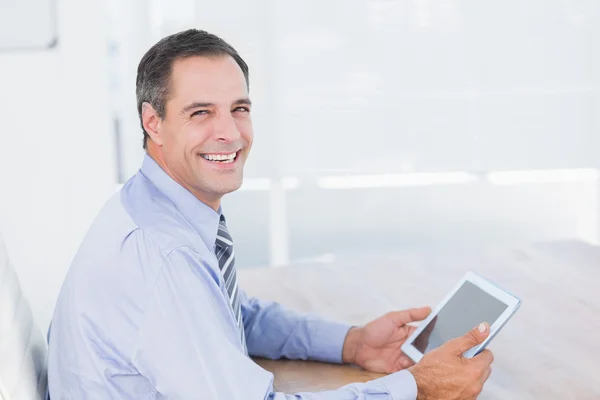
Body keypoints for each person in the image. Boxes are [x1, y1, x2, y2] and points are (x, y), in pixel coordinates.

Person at [47, 29, 494, 399]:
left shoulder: (153, 206)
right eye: (201, 112)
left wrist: (350, 342)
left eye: (239, 109)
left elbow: (229, 311)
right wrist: (416, 388)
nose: (229, 132)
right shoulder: (161, 252)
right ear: (153, 122)